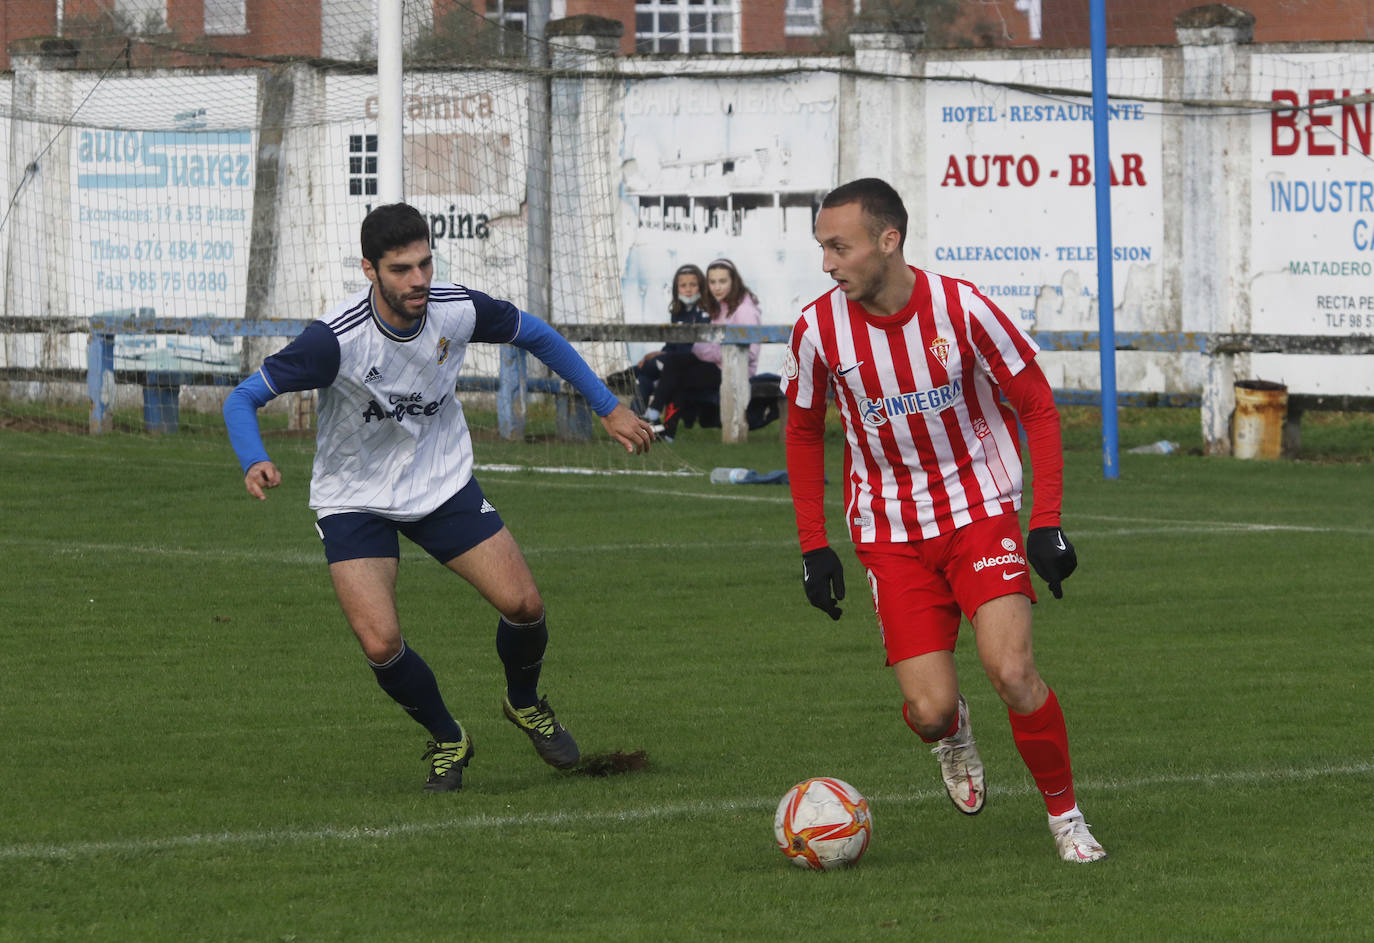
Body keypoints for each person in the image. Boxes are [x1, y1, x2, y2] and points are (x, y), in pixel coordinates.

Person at [222, 202, 655, 792]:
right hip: (355, 495)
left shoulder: (456, 308)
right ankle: (448, 736)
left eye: (425, 263)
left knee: (524, 605)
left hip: (440, 481)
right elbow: (241, 398)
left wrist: (607, 407)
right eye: (401, 269)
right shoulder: (334, 341)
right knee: (380, 640)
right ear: (370, 270)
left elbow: (539, 336)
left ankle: (523, 701)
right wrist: (255, 458)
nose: (419, 279)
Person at [781, 178, 1106, 863]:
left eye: (839, 246)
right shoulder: (818, 329)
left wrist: (1044, 521)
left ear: (887, 240)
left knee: (1013, 671)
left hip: (979, 513)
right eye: (822, 247)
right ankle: (951, 731)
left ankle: (1067, 818)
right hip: (890, 533)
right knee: (928, 709)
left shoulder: (962, 308)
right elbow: (804, 432)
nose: (828, 263)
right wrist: (816, 546)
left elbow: (1037, 406)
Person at [646, 257, 762, 440]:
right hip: (716, 365)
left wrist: (711, 352)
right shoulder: (718, 306)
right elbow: (704, 346)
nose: (717, 287)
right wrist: (707, 351)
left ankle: (657, 417)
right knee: (674, 363)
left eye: (723, 281)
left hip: (735, 371)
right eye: (712, 282)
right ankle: (662, 427)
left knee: (677, 375)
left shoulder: (744, 310)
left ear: (734, 281)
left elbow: (750, 353)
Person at [636, 264, 710, 414]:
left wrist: (663, 357)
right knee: (643, 376)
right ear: (677, 289)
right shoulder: (677, 313)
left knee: (646, 367)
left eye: (693, 285)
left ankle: (651, 414)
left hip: (691, 364)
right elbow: (671, 346)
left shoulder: (706, 312)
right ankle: (636, 418)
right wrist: (659, 353)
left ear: (701, 287)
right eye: (683, 285)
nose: (688, 289)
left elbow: (697, 349)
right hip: (671, 360)